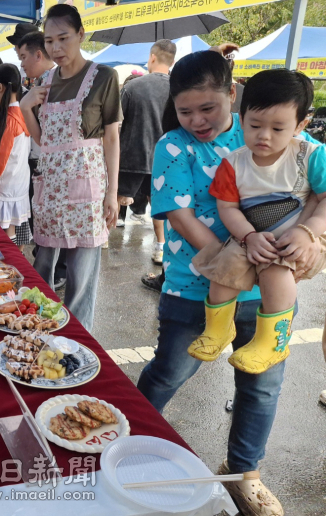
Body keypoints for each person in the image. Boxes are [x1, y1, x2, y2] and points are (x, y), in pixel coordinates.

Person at [135, 51, 322, 516]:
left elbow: (315, 191)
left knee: (260, 384)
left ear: (232, 97)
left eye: (208, 108)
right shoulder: (173, 147)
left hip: (269, 293)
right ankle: (130, 439)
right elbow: (178, 213)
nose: (197, 120)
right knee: (170, 372)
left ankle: (244, 473)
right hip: (194, 285)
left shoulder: (266, 130)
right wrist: (231, 258)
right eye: (185, 110)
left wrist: (311, 234)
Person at [187, 69, 326, 374]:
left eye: (278, 128)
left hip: (299, 237)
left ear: (301, 124)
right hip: (252, 237)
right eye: (255, 125)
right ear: (242, 116)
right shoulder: (233, 162)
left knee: (276, 272)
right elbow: (228, 208)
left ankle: (272, 343)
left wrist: (308, 232)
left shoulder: (311, 155)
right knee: (224, 267)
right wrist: (248, 237)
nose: (264, 136)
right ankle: (219, 329)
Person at [20, 4, 121, 332]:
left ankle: (79, 342)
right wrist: (25, 106)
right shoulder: (45, 81)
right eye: (49, 41)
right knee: (43, 265)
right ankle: (39, 333)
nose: (56, 48)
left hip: (87, 185)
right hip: (50, 182)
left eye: (63, 38)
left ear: (80, 35)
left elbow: (111, 138)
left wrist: (113, 194)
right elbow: (43, 140)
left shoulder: (104, 77)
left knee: (81, 275)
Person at [118, 39, 176, 266]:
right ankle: (161, 247)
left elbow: (117, 123)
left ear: (152, 57)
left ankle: (100, 240)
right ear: (171, 61)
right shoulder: (178, 89)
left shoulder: (132, 87)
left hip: (132, 155)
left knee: (115, 199)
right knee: (159, 206)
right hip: (166, 158)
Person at [17, 30, 67, 287]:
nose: (22, 63)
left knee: (49, 227)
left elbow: (42, 138)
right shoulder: (44, 83)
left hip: (50, 166)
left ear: (39, 54)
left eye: (23, 57)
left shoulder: (51, 84)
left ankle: (53, 276)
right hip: (46, 164)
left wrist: (25, 107)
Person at [0, 64, 31, 251]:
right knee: (12, 239)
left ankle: (6, 274)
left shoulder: (8, 121)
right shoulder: (21, 113)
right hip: (18, 187)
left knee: (3, 242)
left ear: (0, 87)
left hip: (4, 189)